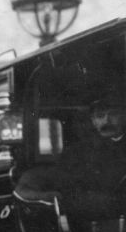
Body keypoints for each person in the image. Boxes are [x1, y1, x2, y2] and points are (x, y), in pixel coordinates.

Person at [15, 94, 126, 223]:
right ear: (93, 120)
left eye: (113, 114)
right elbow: (62, 180)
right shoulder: (77, 151)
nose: (106, 121)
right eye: (100, 115)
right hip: (92, 219)